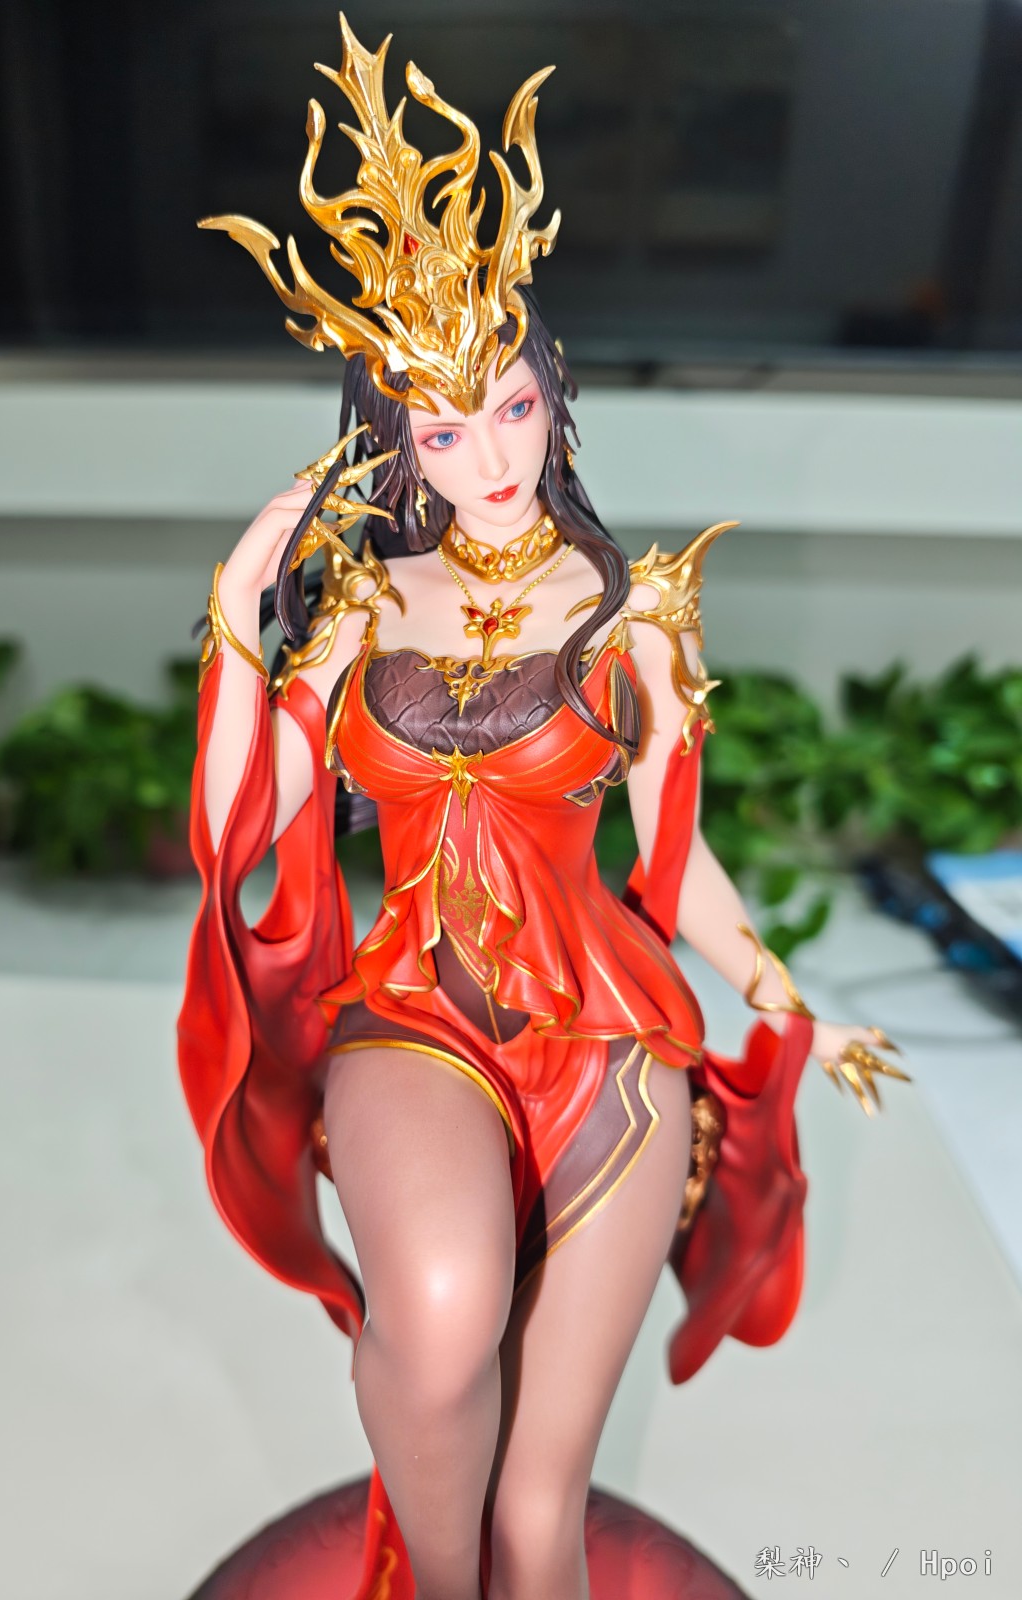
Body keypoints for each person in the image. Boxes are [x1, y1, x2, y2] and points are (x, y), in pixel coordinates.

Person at [177, 18, 910, 1600]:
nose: (490, 453)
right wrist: (240, 605)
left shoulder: (638, 610)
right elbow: (235, 826)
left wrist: (788, 999)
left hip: (613, 1044)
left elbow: (676, 855)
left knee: (539, 1507)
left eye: (509, 406)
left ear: (551, 395)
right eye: (443, 428)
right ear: (396, 441)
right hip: (414, 1022)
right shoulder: (360, 612)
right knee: (440, 1335)